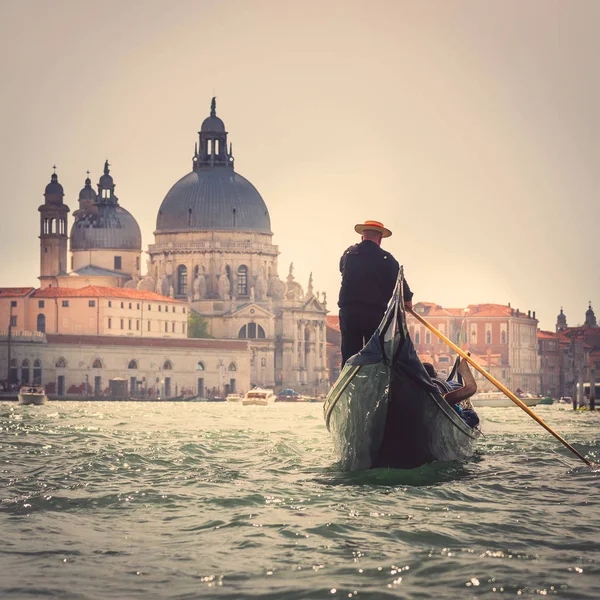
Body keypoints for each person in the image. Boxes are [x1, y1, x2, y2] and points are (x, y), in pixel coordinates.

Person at [338, 220, 413, 366]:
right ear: (380, 239)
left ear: (362, 237)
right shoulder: (387, 259)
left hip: (349, 311)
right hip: (373, 312)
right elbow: (399, 281)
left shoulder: (348, 254)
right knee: (374, 353)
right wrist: (408, 300)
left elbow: (342, 270)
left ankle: (348, 383)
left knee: (349, 352)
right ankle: (371, 384)